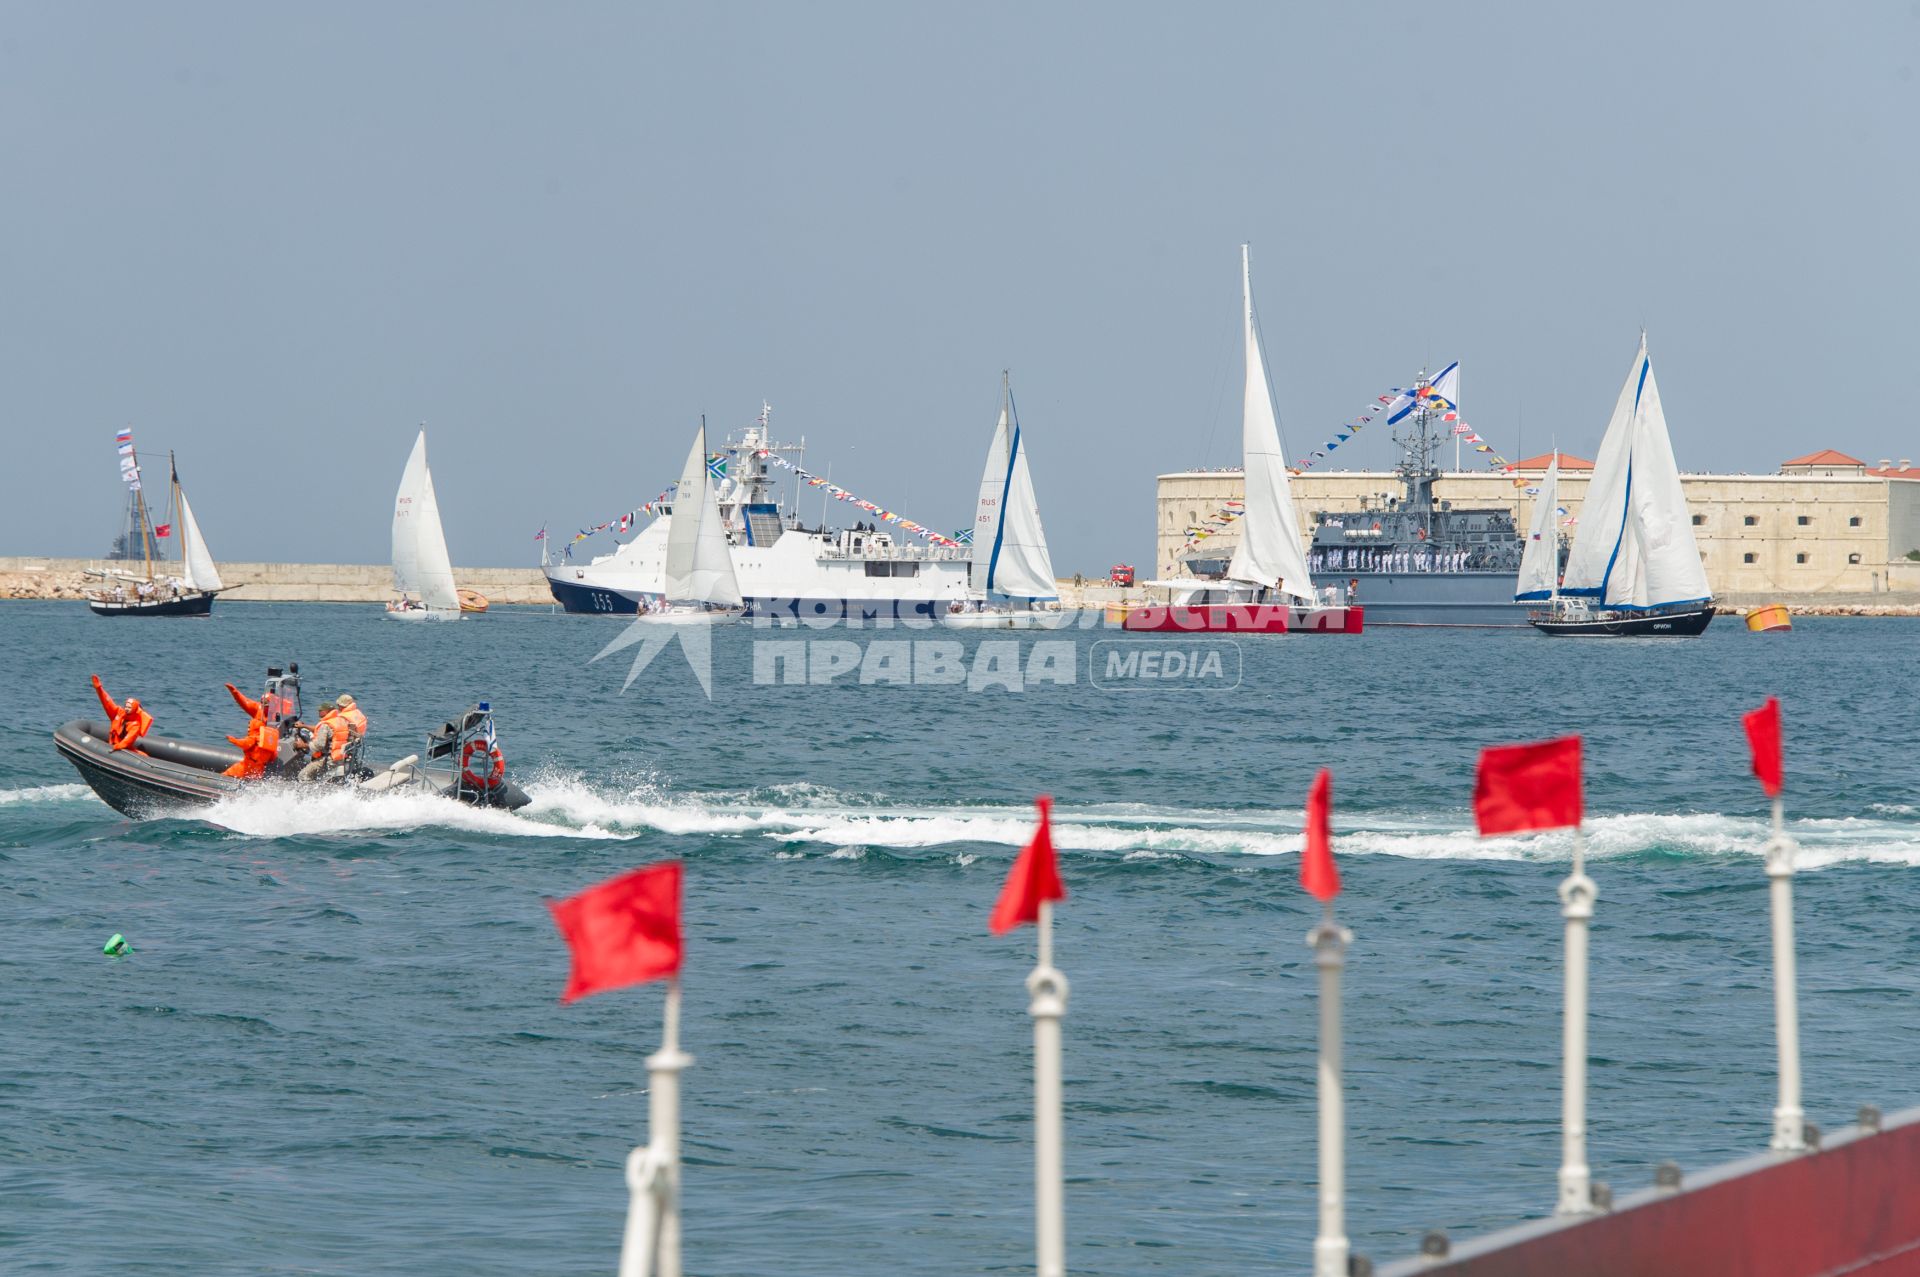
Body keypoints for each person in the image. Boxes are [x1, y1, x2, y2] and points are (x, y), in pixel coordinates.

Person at [221, 681, 280, 780]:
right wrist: (234, 691)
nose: (263, 704)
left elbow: (246, 743)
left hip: (252, 758)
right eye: (263, 702)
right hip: (260, 763)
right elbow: (245, 702)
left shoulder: (274, 719)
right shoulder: (259, 710)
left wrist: (233, 740)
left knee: (232, 773)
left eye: (266, 703)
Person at [91, 675, 153, 752]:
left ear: (134, 709)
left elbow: (128, 740)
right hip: (112, 744)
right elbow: (107, 703)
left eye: (129, 707)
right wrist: (99, 688)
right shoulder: (118, 713)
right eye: (126, 706)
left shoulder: (135, 725)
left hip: (124, 750)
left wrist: (116, 747)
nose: (127, 708)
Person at [298, 701, 342, 782]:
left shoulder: (325, 725)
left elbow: (319, 745)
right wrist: (304, 726)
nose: (318, 711)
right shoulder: (338, 721)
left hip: (327, 758)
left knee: (302, 775)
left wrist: (302, 745)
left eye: (320, 710)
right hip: (339, 757)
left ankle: (310, 792)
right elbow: (321, 731)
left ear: (326, 711)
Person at [334, 694, 368, 769]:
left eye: (338, 705)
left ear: (341, 705)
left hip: (345, 744)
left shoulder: (343, 717)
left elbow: (337, 731)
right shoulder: (358, 712)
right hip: (356, 743)